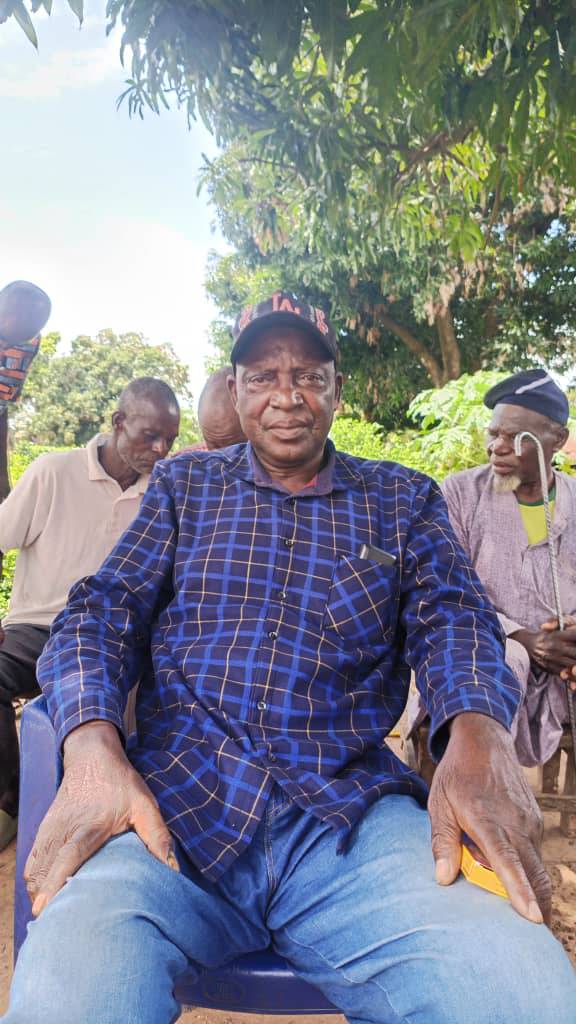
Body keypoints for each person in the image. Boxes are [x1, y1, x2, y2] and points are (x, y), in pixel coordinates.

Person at [4, 294, 574, 1024]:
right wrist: (90, 746)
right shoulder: (186, 488)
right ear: (236, 391)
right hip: (174, 817)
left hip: (351, 827)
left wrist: (479, 732)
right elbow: (100, 613)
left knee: (521, 994)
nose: (286, 396)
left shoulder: (400, 499)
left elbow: (455, 619)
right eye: (263, 375)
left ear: (337, 389)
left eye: (308, 374)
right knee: (69, 997)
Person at [0, 376, 180, 851]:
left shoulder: (163, 495)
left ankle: (129, 808)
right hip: (37, 627)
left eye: (170, 439)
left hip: (114, 637)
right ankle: (17, 801)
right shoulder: (51, 473)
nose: (161, 449)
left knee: (163, 695)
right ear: (119, 423)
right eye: (150, 436)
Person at [407, 369, 576, 770]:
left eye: (516, 437)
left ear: (558, 440)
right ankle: (474, 791)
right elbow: (444, 587)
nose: (497, 447)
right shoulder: (460, 493)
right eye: (493, 434)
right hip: (485, 646)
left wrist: (567, 640)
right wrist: (523, 637)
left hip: (564, 659)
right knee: (507, 659)